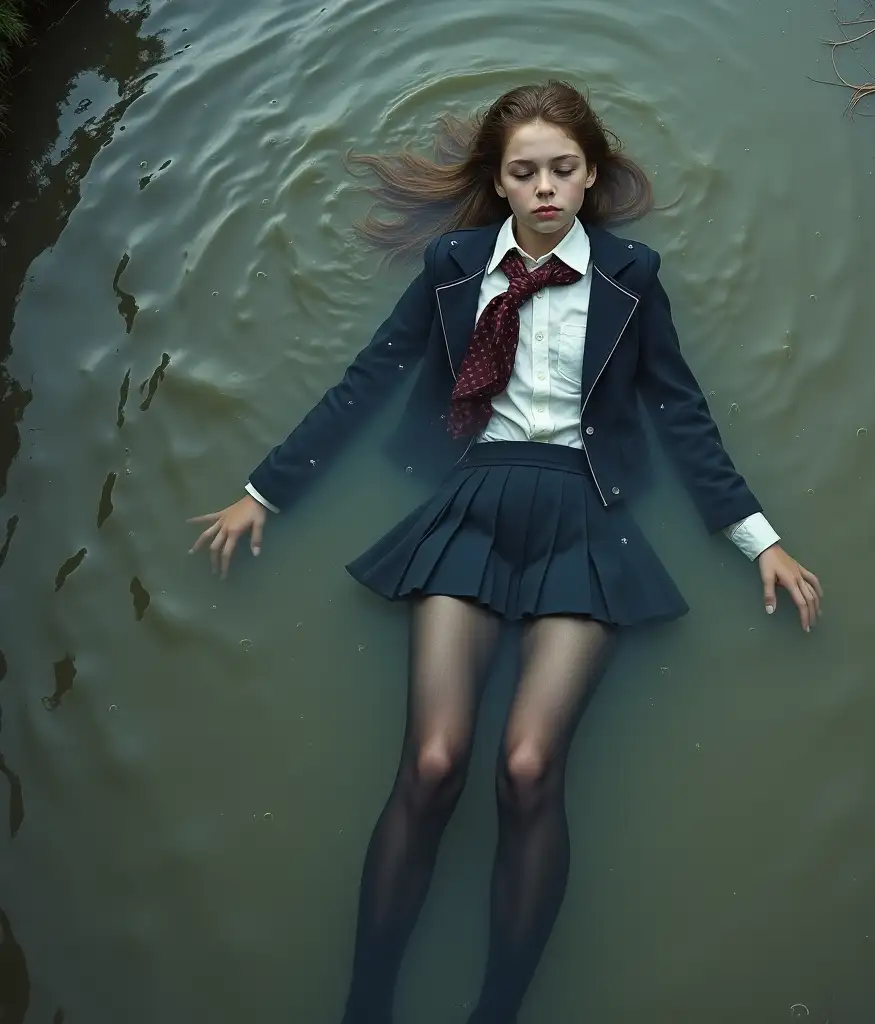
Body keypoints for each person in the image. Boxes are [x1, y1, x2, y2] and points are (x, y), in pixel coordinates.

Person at [189, 81, 822, 1023]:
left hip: (587, 511)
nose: (546, 188)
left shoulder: (631, 276)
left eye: (563, 169)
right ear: (498, 181)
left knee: (528, 766)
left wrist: (759, 541)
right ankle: (367, 1004)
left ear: (590, 172)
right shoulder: (453, 266)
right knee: (436, 760)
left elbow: (683, 416)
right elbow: (368, 377)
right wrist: (263, 491)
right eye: (524, 172)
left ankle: (498, 1011)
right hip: (474, 502)